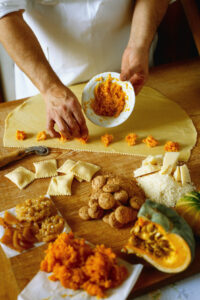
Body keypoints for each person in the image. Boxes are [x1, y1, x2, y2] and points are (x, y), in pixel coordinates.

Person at [0, 0, 170, 140]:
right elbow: (5, 13)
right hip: (46, 75)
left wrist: (138, 45)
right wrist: (50, 88)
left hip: (130, 62)